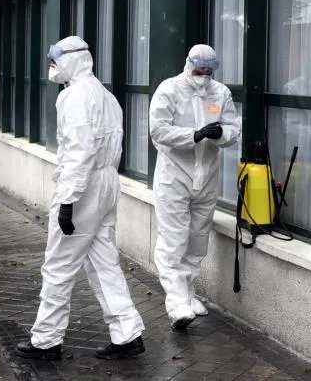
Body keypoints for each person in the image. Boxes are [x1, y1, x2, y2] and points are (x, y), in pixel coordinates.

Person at [16, 36, 145, 361]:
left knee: (58, 264)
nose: (52, 66)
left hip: (83, 186)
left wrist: (69, 201)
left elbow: (79, 151)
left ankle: (46, 341)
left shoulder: (74, 97)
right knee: (104, 262)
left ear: (73, 60)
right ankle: (127, 332)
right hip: (106, 182)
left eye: (56, 60)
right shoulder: (106, 96)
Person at [149, 44, 241, 331]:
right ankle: (176, 304)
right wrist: (195, 134)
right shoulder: (169, 89)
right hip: (174, 176)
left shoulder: (220, 92)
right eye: (199, 70)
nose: (203, 76)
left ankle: (188, 295)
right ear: (188, 65)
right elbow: (159, 130)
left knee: (197, 240)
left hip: (207, 177)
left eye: (208, 72)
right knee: (173, 240)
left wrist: (221, 133)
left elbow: (233, 128)